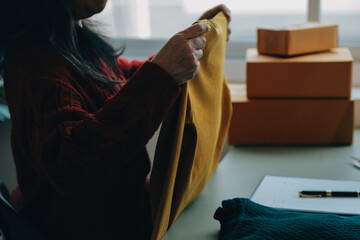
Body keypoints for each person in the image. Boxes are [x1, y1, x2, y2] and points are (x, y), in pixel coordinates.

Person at [0, 0, 231, 239]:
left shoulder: (74, 37)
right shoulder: (33, 64)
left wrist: (184, 50)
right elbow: (72, 165)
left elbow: (120, 79)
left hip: (121, 216)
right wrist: (163, 73)